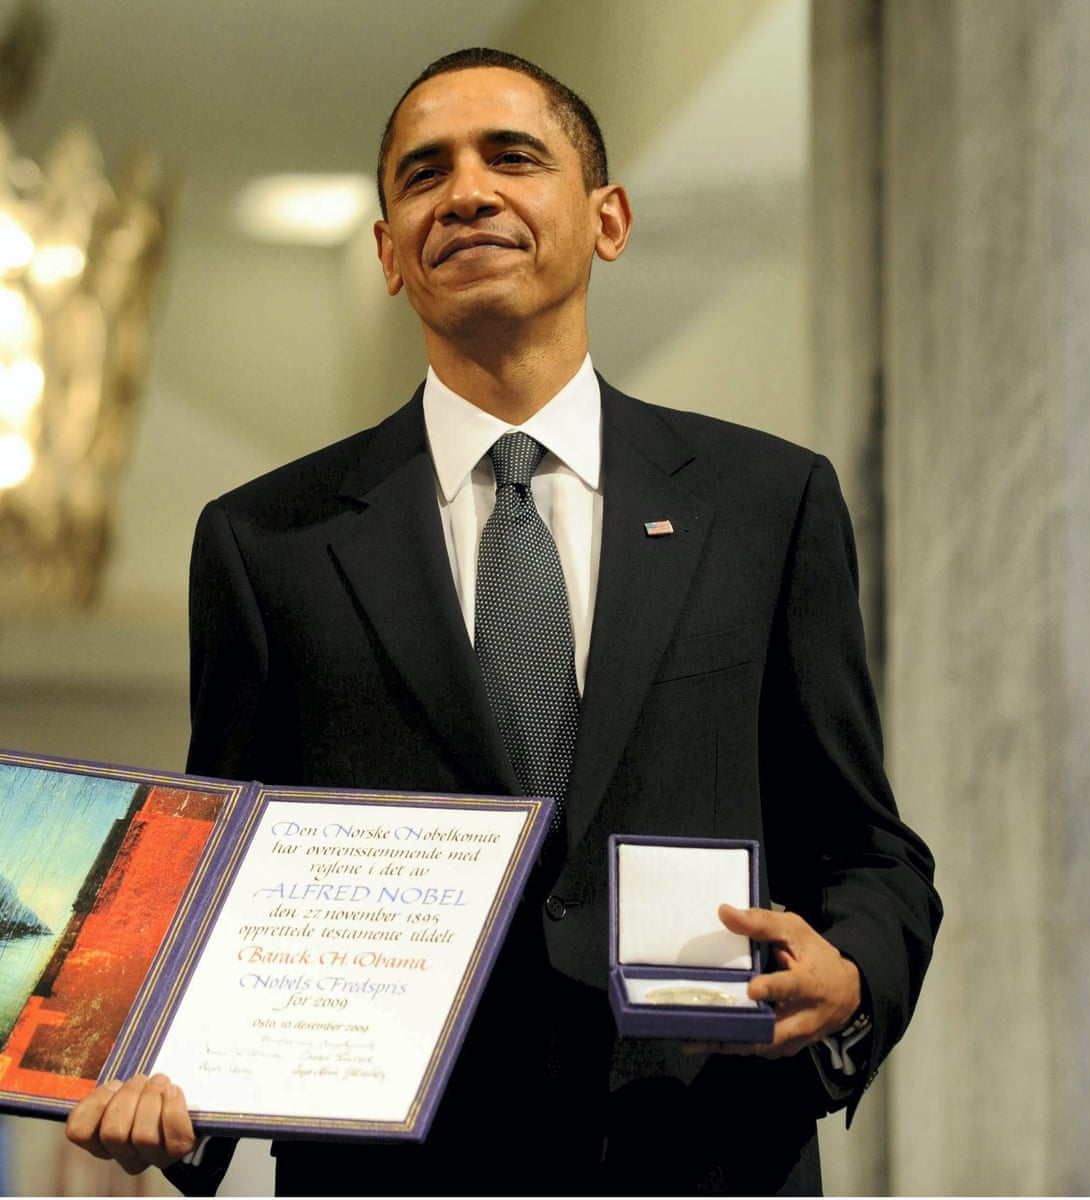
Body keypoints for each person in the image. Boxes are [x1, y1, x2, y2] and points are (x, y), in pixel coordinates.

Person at [65, 47, 940, 1195]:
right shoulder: (267, 543)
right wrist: (172, 1090)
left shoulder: (766, 505)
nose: (467, 192)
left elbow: (872, 853)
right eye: (424, 173)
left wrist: (854, 975)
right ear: (389, 252)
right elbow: (223, 889)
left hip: (704, 1154)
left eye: (512, 158)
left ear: (608, 219)